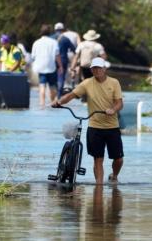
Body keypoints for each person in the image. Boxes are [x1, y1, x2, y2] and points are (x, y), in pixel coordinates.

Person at [52, 57, 124, 185]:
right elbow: (71, 95)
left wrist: (113, 110)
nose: (96, 70)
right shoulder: (87, 83)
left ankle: (114, 175)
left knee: (118, 159)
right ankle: (99, 186)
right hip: (95, 127)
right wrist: (59, 102)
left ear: (104, 69)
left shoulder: (114, 82)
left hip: (112, 126)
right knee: (98, 159)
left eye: (99, 68)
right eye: (94, 68)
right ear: (91, 70)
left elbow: (119, 103)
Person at [31, 24, 62, 108]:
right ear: (50, 32)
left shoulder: (36, 42)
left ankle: (42, 104)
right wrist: (60, 66)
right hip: (51, 67)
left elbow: (33, 57)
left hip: (40, 67)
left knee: (42, 86)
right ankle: (52, 103)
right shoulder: (54, 42)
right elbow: (57, 55)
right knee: (52, 86)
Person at [53, 23, 76, 97]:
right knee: (61, 77)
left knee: (53, 77)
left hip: (52, 60)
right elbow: (74, 50)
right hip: (63, 60)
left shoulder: (51, 38)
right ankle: (59, 95)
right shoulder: (66, 39)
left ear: (55, 29)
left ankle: (53, 94)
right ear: (63, 30)